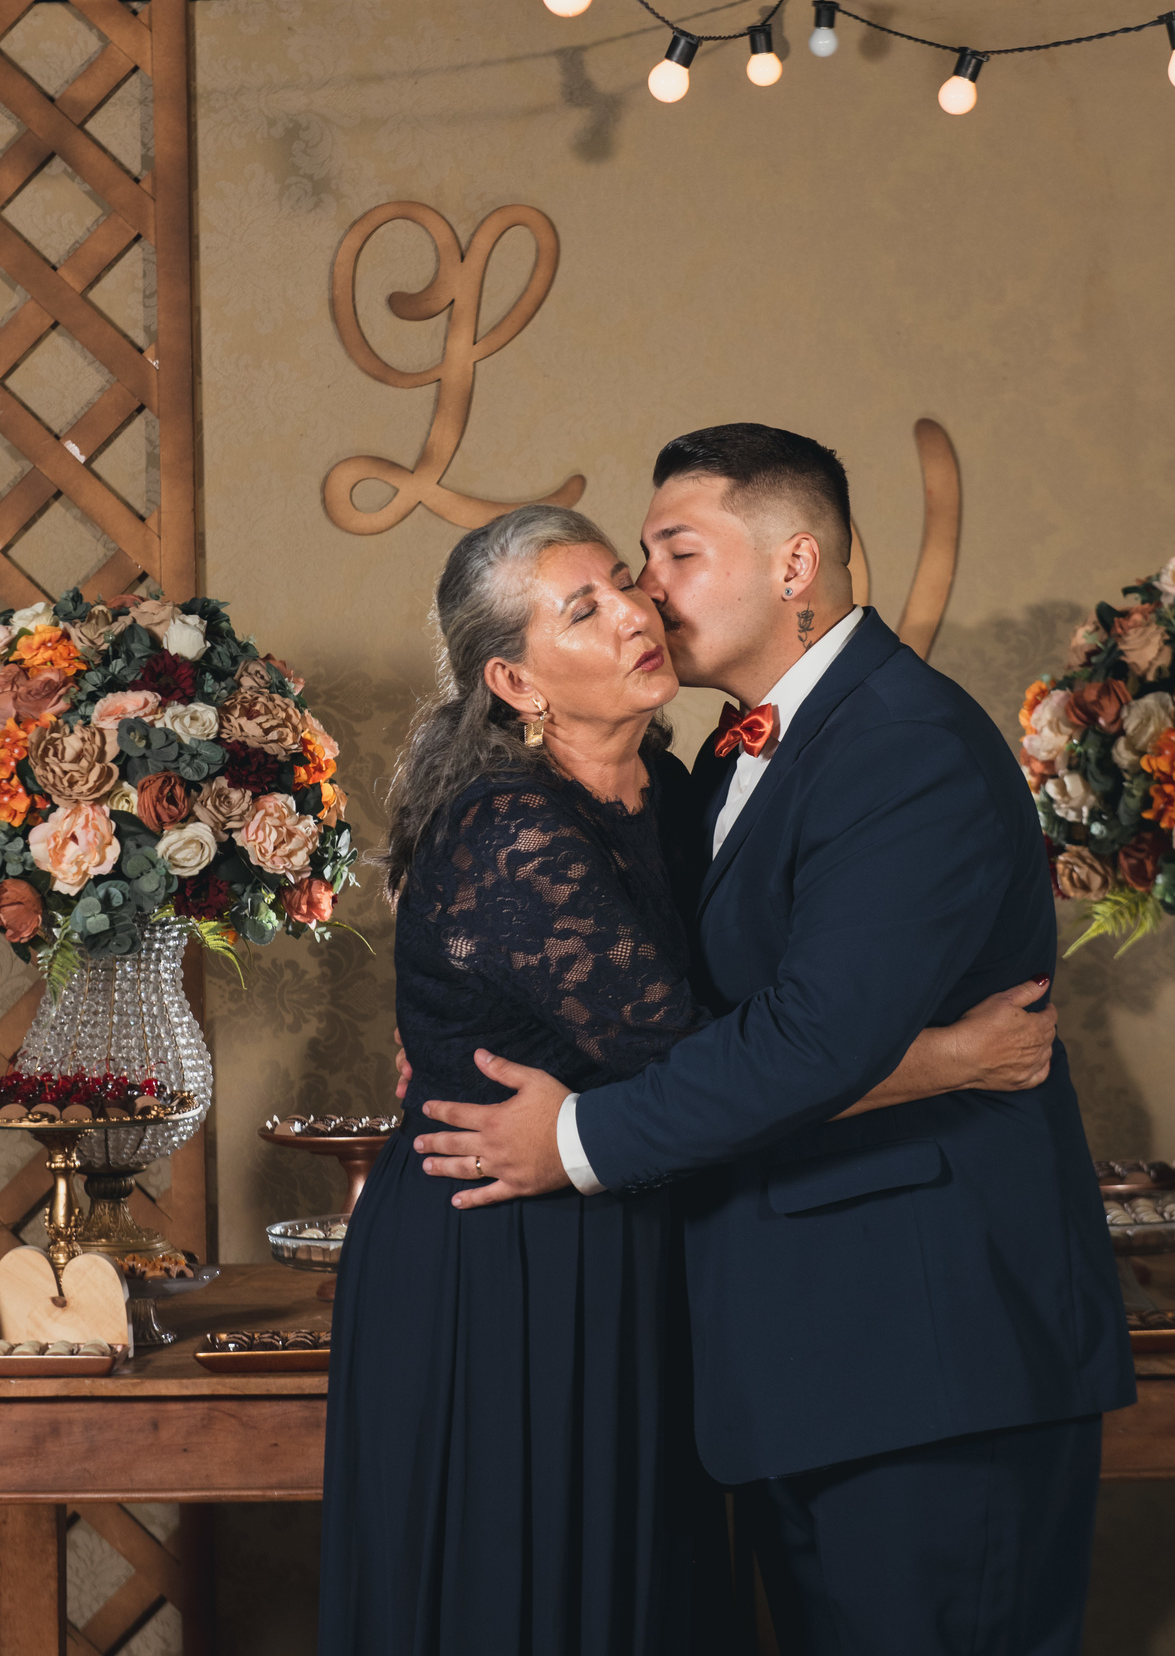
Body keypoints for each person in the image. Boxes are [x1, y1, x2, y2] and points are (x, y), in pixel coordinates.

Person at [413, 428, 1135, 1656]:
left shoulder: (899, 744)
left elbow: (811, 1039)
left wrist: (575, 1139)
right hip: (804, 1367)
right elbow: (674, 1003)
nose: (649, 591)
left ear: (795, 565)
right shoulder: (731, 753)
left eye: (674, 554)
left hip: (928, 1362)